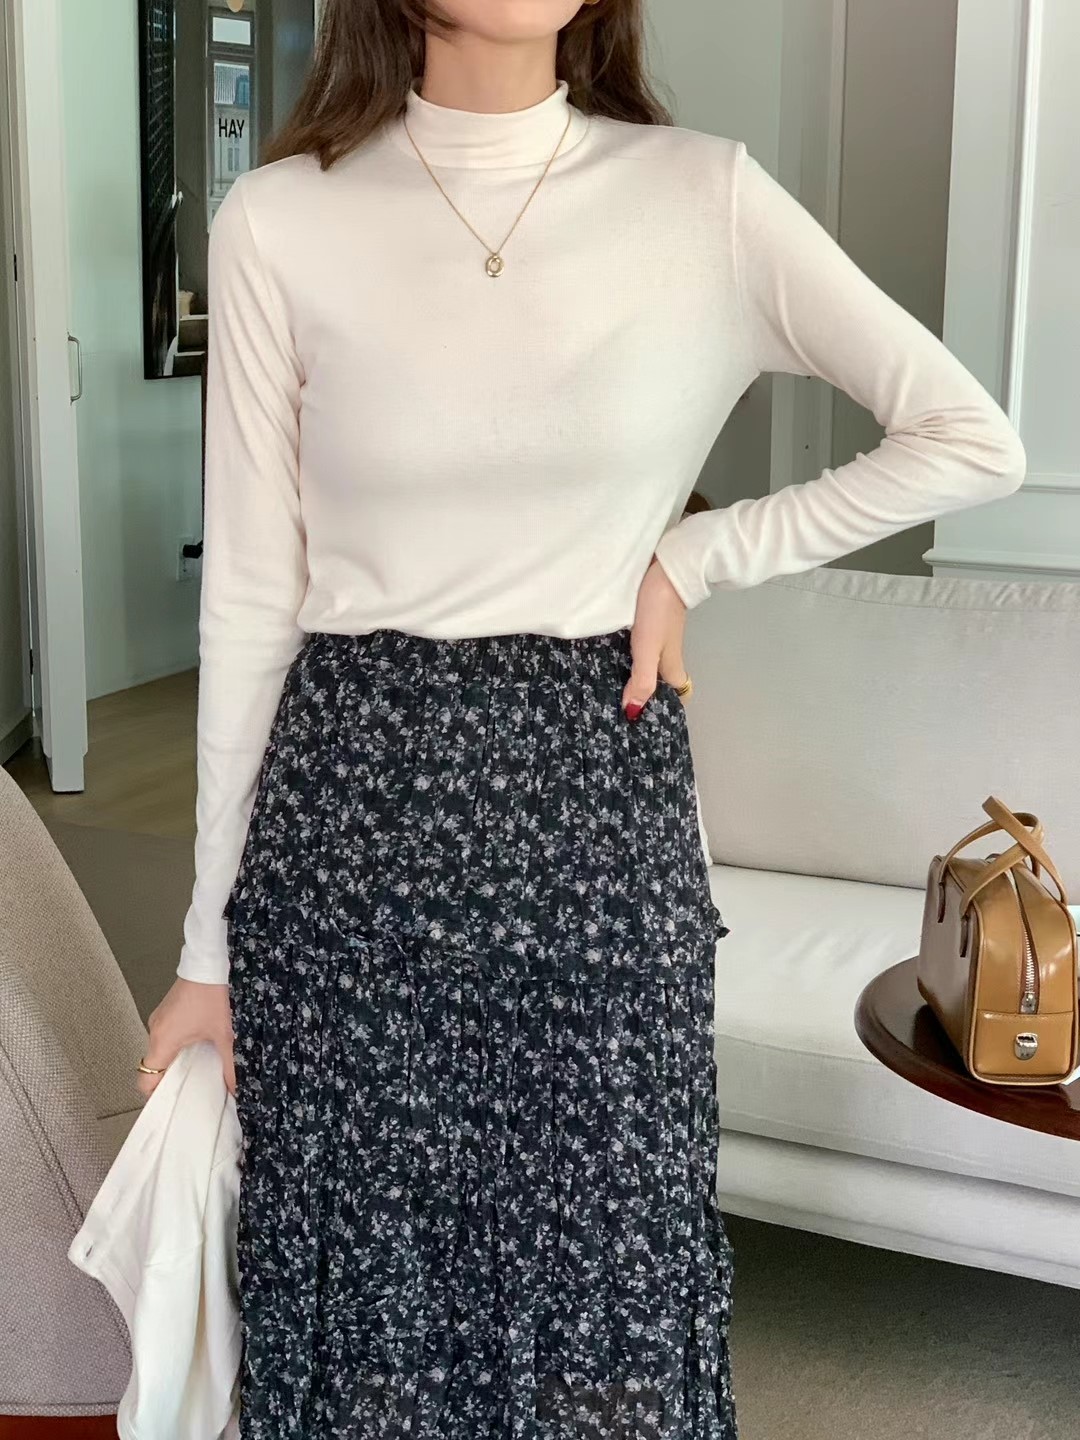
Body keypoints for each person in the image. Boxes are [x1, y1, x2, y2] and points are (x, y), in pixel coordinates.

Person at [135, 2, 1027, 1436]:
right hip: (350, 820)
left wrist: (695, 556)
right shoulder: (278, 221)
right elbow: (249, 605)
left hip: (595, 817)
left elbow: (970, 437)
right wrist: (205, 950)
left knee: (606, 1267)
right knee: (372, 1286)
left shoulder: (703, 199)